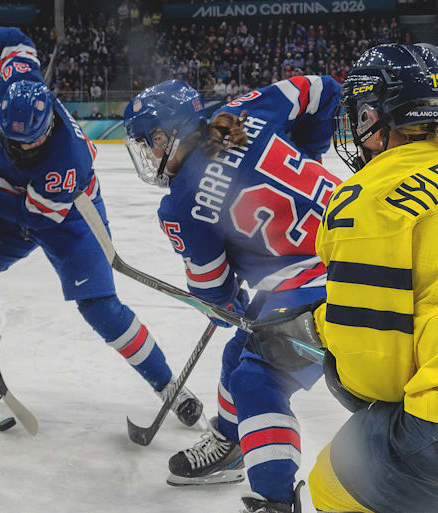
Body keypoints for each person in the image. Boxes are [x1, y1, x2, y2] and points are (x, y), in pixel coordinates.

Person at [0, 21, 203, 428]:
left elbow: (38, 216)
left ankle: (170, 386)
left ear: (49, 128)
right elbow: (16, 41)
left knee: (100, 309)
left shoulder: (67, 160)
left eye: (33, 141)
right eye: (16, 141)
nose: (25, 147)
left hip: (70, 218)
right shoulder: (17, 83)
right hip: (18, 202)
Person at [123, 74, 342, 512]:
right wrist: (309, 154)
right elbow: (324, 89)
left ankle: (273, 500)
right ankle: (228, 441)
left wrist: (233, 302)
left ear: (167, 135)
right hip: (359, 242)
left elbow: (215, 299)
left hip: (322, 287)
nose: (147, 153)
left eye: (148, 142)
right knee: (239, 351)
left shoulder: (181, 203)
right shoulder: (243, 114)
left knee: (255, 378)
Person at [250, 43, 438, 513]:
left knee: (331, 482)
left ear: (376, 118)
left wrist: (322, 337)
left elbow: (377, 377)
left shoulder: (367, 198)